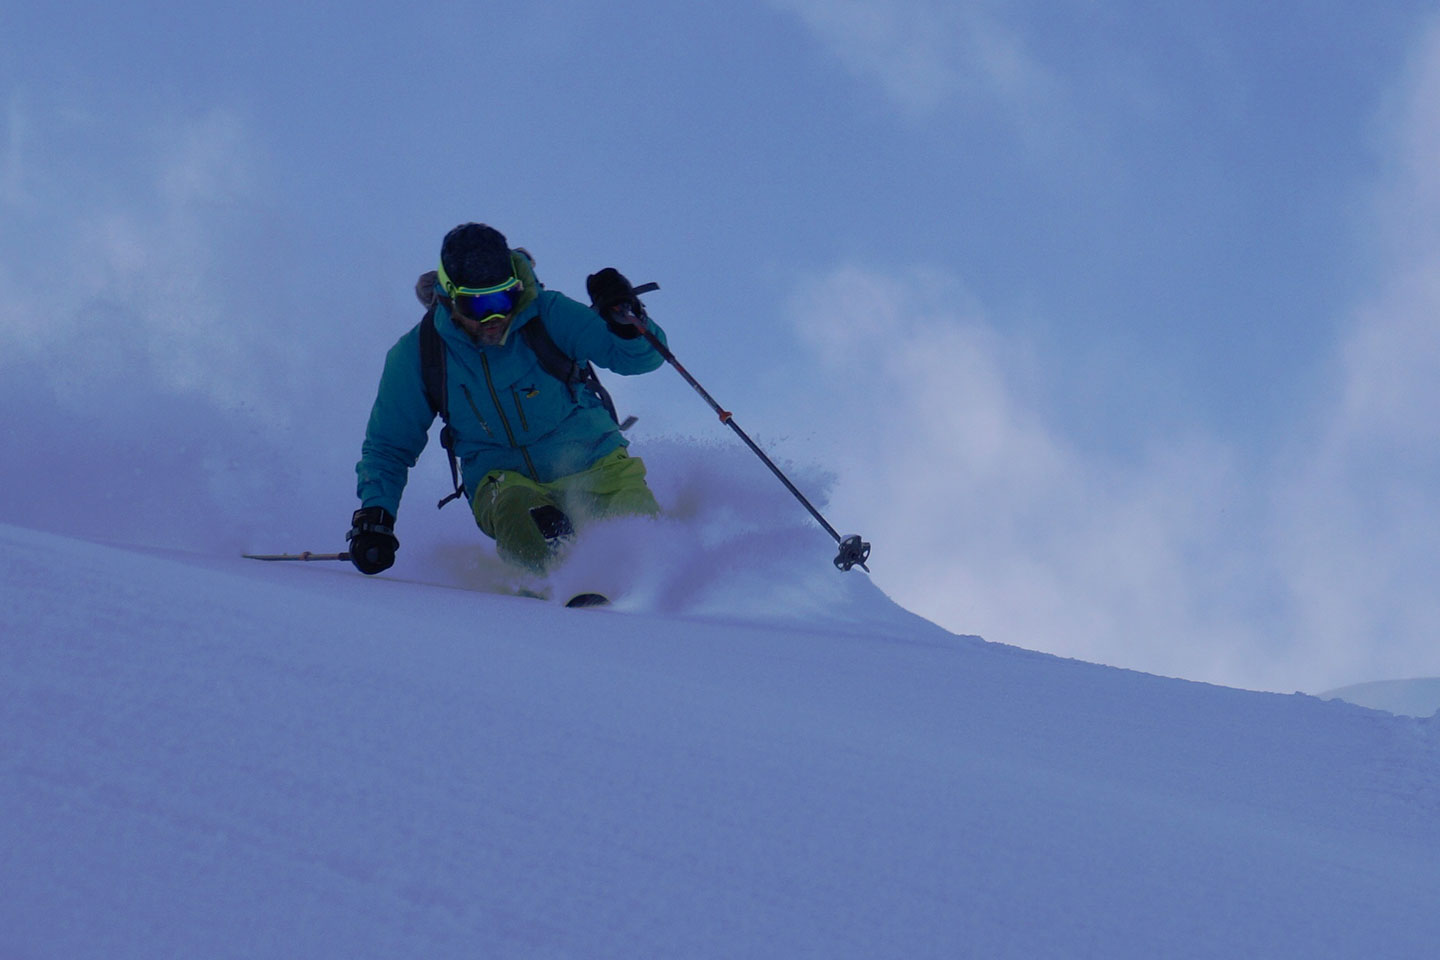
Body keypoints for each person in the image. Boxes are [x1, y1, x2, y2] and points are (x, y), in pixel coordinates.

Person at [347, 222, 667, 577]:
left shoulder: (547, 313)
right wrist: (376, 515)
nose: (494, 317)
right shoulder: (421, 354)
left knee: (641, 548)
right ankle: (562, 587)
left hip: (597, 465)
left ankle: (640, 595)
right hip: (504, 481)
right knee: (519, 509)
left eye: (504, 299)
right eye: (478, 305)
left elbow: (642, 359)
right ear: (449, 296)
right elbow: (388, 446)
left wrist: (626, 318)